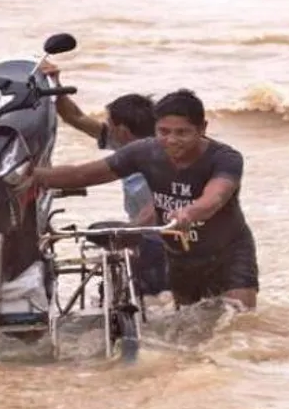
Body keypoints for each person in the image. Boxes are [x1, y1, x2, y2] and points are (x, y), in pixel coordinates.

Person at [33, 89, 259, 309]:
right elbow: (81, 174)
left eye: (182, 132)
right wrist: (27, 176)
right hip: (180, 256)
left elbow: (215, 196)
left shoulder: (225, 158)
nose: (171, 140)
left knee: (237, 321)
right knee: (191, 330)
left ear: (202, 129)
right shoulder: (143, 152)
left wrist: (189, 212)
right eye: (164, 131)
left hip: (228, 254)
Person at [41, 62, 168, 297]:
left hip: (160, 240)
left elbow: (158, 204)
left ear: (122, 130)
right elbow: (75, 117)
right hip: (144, 235)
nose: (105, 127)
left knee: (154, 299)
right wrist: (56, 86)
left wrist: (132, 231)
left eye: (109, 123)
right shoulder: (121, 143)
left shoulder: (160, 156)